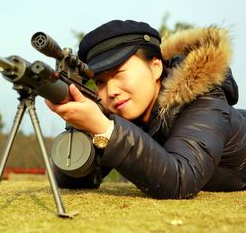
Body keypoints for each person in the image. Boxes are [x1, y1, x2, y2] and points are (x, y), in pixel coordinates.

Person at [45, 20, 246, 199]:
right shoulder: (125, 110)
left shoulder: (204, 98)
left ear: (156, 66)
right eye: (100, 82)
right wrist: (79, 126)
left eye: (119, 73)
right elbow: (77, 181)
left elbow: (181, 179)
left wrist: (105, 130)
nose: (111, 91)